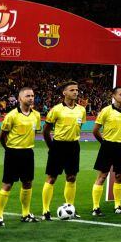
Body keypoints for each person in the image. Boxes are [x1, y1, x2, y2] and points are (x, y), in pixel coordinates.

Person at [0, 86, 40, 225]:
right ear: (20, 98)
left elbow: (35, 132)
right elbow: (2, 135)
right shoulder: (11, 115)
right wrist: (8, 148)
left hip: (28, 153)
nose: (31, 98)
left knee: (27, 183)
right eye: (28, 96)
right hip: (13, 153)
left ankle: (25, 213)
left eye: (32, 95)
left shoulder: (36, 115)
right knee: (7, 184)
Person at [42, 80, 84, 219]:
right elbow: (46, 130)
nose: (75, 92)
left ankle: (70, 207)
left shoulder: (81, 110)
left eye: (77, 90)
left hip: (73, 146)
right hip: (58, 145)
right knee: (52, 178)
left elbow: (79, 128)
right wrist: (52, 147)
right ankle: (45, 210)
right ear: (64, 92)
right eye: (72, 90)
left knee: (71, 177)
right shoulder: (56, 110)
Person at [91, 86, 121, 217]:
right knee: (102, 176)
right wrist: (104, 143)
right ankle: (96, 207)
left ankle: (118, 205)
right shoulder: (106, 111)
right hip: (107, 146)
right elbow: (95, 130)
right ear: (114, 96)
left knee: (120, 176)